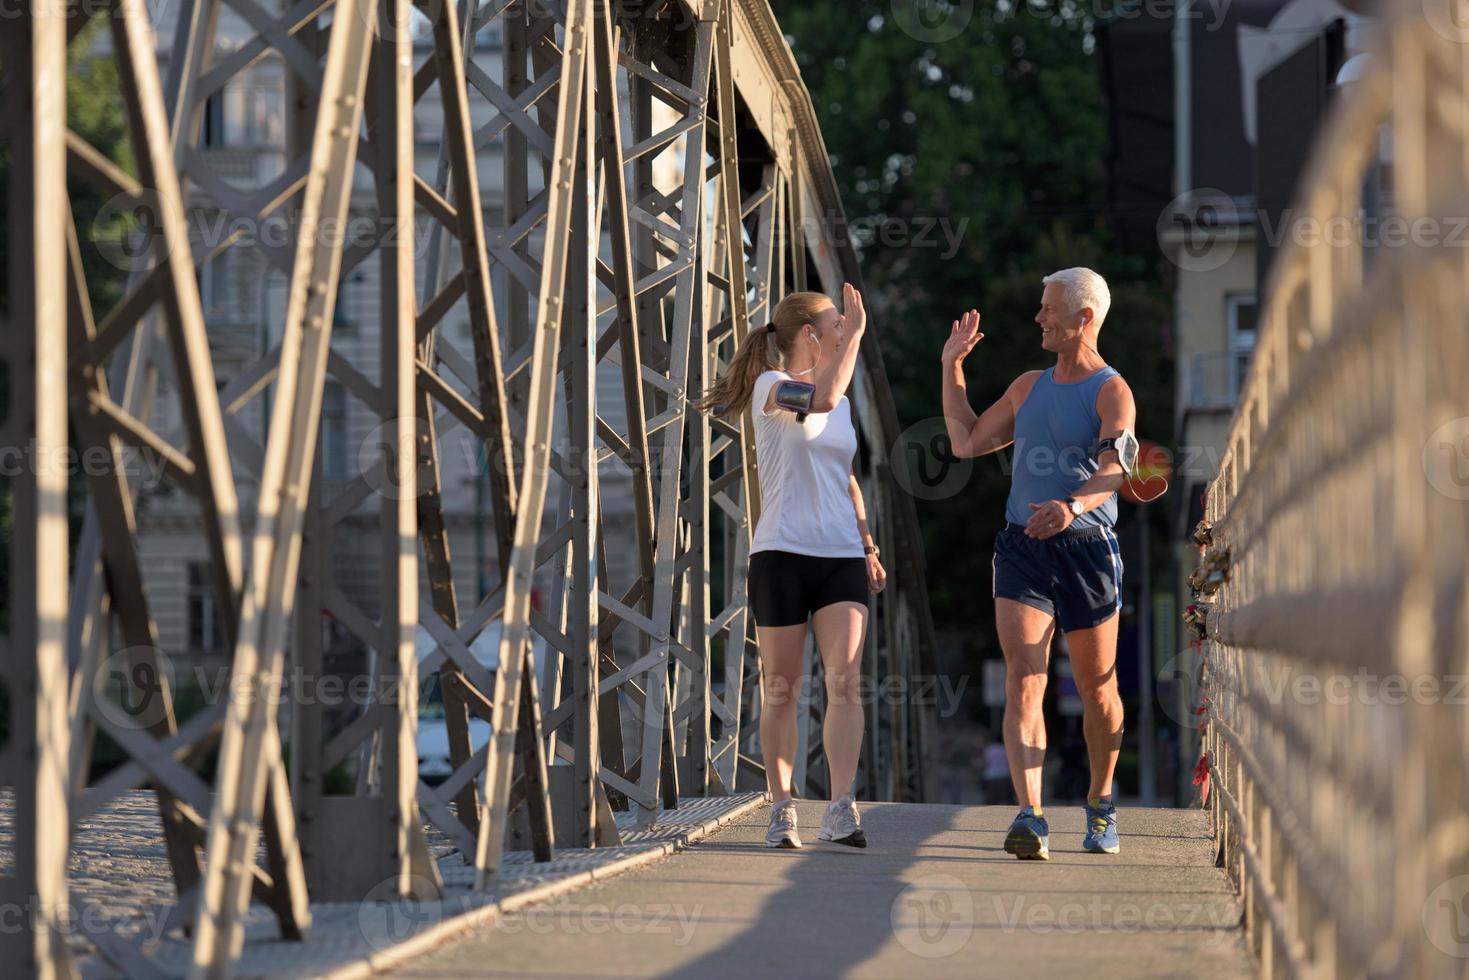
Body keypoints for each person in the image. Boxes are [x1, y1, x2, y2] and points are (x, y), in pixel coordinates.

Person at [938, 267, 1132, 860]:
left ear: (1084, 318)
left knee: (1098, 689)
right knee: (1026, 676)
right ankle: (1031, 815)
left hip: (1087, 550)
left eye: (1049, 309)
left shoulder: (1111, 390)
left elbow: (1118, 470)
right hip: (1022, 548)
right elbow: (966, 442)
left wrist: (1072, 507)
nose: (1038, 317)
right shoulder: (1027, 386)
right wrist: (951, 367)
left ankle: (1100, 806)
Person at [696, 284, 887, 850]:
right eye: (835, 323)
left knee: (844, 682)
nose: (842, 329)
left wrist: (869, 545)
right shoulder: (771, 388)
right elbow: (821, 400)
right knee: (782, 688)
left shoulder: (845, 402)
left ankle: (841, 805)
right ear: (812, 334)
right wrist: (853, 340)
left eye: (844, 325)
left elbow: (845, 478)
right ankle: (782, 806)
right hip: (781, 553)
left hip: (841, 558)